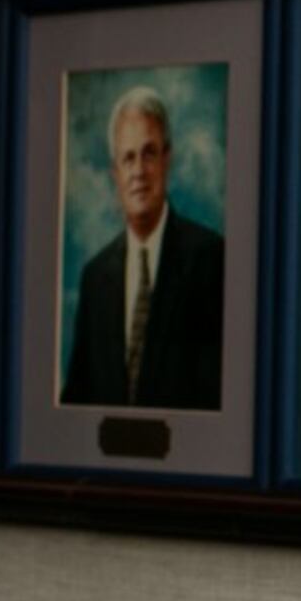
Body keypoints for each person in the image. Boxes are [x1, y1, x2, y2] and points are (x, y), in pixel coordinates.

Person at [59, 85, 223, 409]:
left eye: (149, 153)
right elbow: (75, 401)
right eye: (128, 158)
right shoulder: (95, 278)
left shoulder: (212, 260)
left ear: (167, 159)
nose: (138, 172)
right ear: (115, 174)